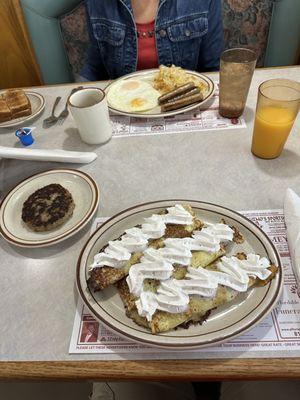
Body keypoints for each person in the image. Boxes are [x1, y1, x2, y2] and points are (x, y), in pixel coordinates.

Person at [81, 0, 224, 81]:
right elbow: (95, 68)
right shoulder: (96, 3)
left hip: (186, 106)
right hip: (124, 110)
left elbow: (213, 69)